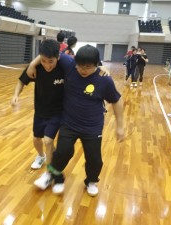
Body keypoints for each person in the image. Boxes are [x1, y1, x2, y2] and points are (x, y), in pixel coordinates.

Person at [29, 45, 124, 196]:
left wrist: (120, 126)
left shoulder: (104, 80)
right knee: (61, 153)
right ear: (75, 62)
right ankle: (52, 175)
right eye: (80, 66)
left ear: (96, 64)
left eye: (88, 67)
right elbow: (50, 51)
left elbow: (117, 101)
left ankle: (91, 181)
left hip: (92, 127)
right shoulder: (69, 65)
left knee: (94, 159)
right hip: (69, 123)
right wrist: (32, 64)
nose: (83, 70)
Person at [11, 39, 64, 170]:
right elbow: (21, 81)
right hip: (40, 110)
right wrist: (16, 95)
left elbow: (83, 65)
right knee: (36, 139)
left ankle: (51, 170)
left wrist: (99, 68)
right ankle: (41, 156)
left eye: (51, 61)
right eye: (44, 61)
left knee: (48, 140)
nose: (47, 65)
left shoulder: (65, 67)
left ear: (58, 57)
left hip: (58, 111)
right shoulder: (36, 67)